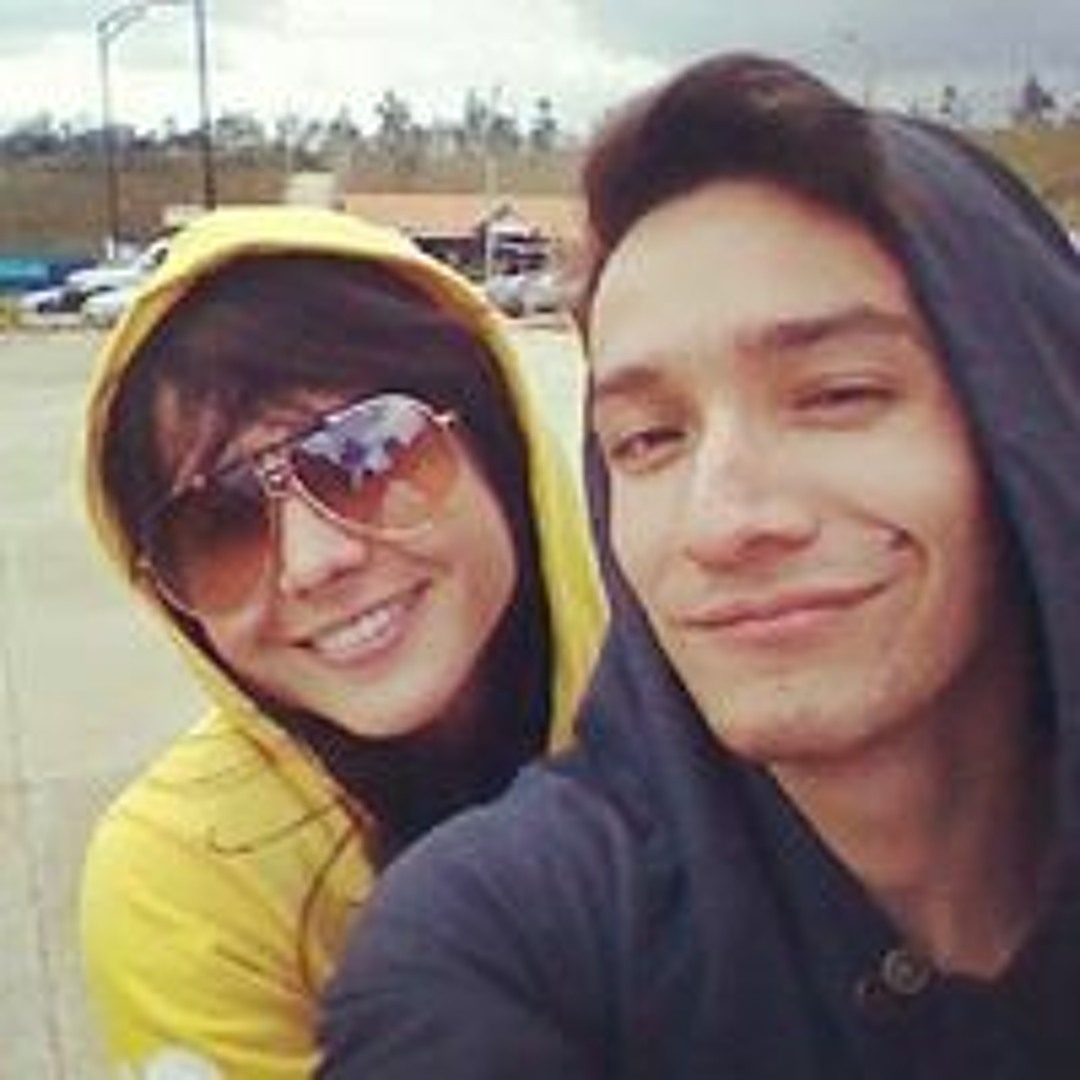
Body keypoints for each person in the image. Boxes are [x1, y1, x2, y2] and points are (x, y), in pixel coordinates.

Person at [319, 53, 1080, 1078]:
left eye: (839, 395)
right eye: (648, 440)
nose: (720, 524)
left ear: (1031, 410)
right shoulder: (503, 947)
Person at [78, 205, 604, 1078]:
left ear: (503, 446)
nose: (313, 561)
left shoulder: (725, 707)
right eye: (220, 526)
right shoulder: (190, 880)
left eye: (371, 457)